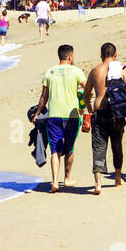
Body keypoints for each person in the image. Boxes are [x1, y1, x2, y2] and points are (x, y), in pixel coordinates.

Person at [30, 44, 88, 193]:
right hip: (72, 116)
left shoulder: (49, 72)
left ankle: (55, 182)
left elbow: (44, 97)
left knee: (55, 150)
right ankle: (67, 178)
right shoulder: (76, 71)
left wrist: (37, 114)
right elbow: (88, 89)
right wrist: (85, 104)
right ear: (70, 57)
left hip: (53, 116)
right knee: (70, 148)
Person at [82, 42, 126, 195]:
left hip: (100, 113)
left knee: (99, 147)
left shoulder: (95, 71)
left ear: (101, 54)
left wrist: (90, 109)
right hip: (117, 114)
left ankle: (98, 184)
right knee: (116, 146)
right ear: (115, 55)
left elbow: (87, 94)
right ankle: (117, 178)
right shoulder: (121, 69)